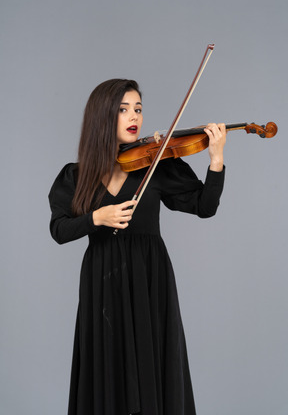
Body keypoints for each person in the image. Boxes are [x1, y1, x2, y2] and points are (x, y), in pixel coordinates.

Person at [48, 79, 226, 415]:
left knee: (151, 364)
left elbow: (205, 206)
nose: (135, 117)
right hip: (101, 279)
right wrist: (96, 218)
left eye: (139, 109)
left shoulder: (156, 164)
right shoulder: (76, 176)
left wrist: (215, 159)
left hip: (149, 278)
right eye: (124, 109)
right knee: (106, 365)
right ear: (103, 117)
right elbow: (59, 230)